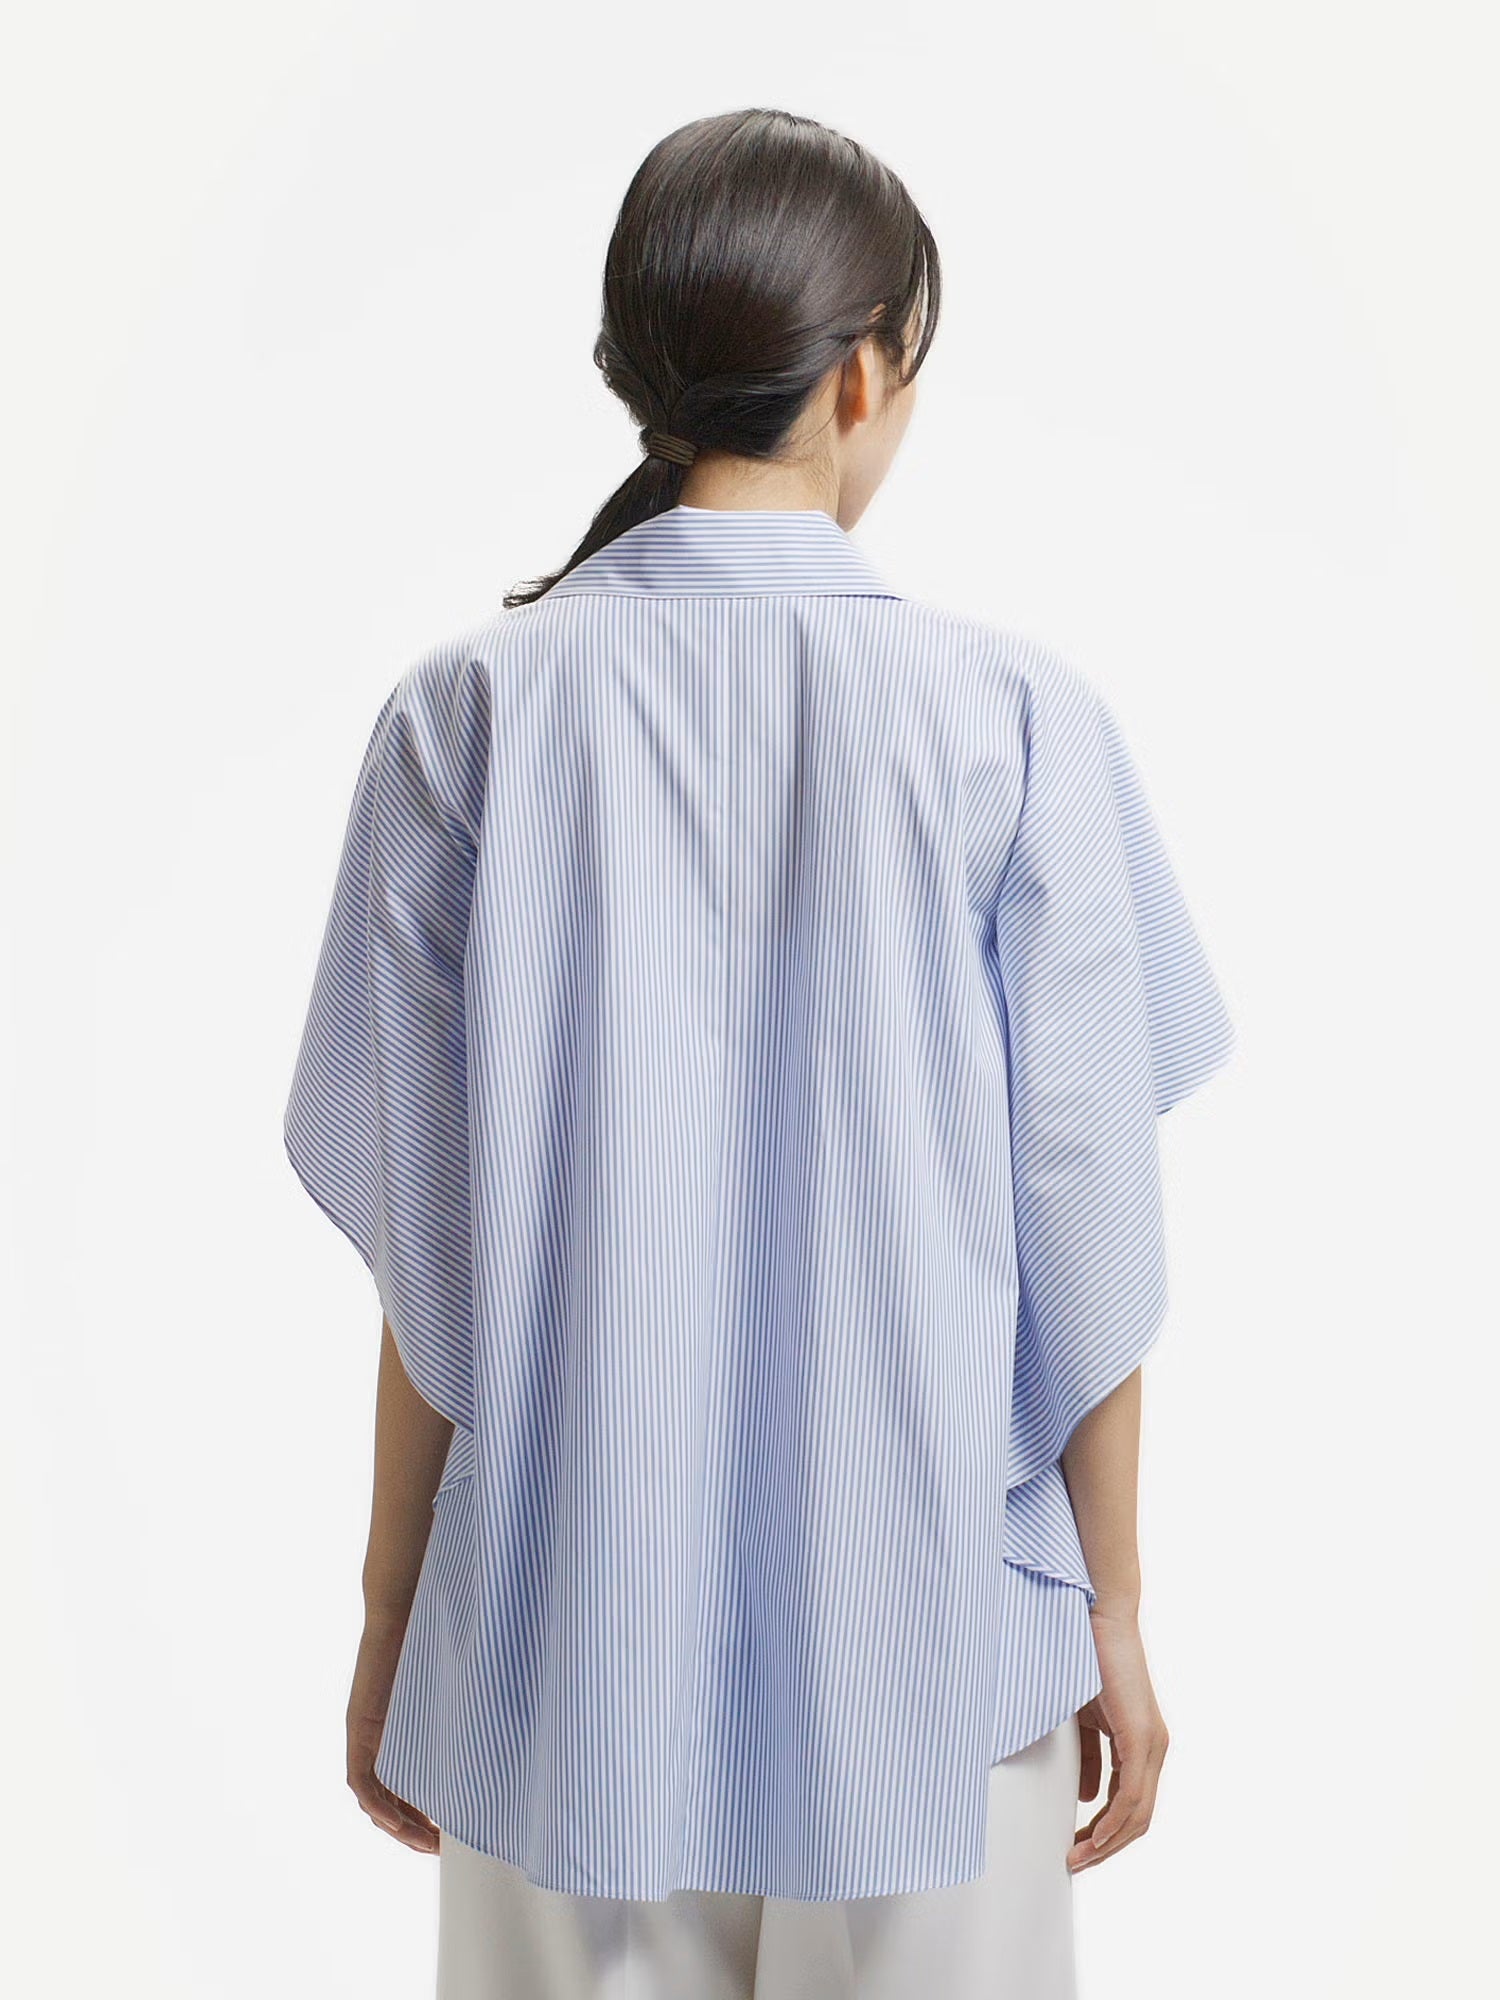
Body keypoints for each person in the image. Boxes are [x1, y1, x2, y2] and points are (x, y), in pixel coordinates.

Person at [283, 106, 1236, 2000]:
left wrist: (392, 1619)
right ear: (866, 370)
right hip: (940, 1651)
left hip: (551, 1656)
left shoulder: (463, 718)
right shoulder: (1013, 719)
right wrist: (1117, 1614)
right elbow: (1088, 1230)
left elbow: (429, 1261)